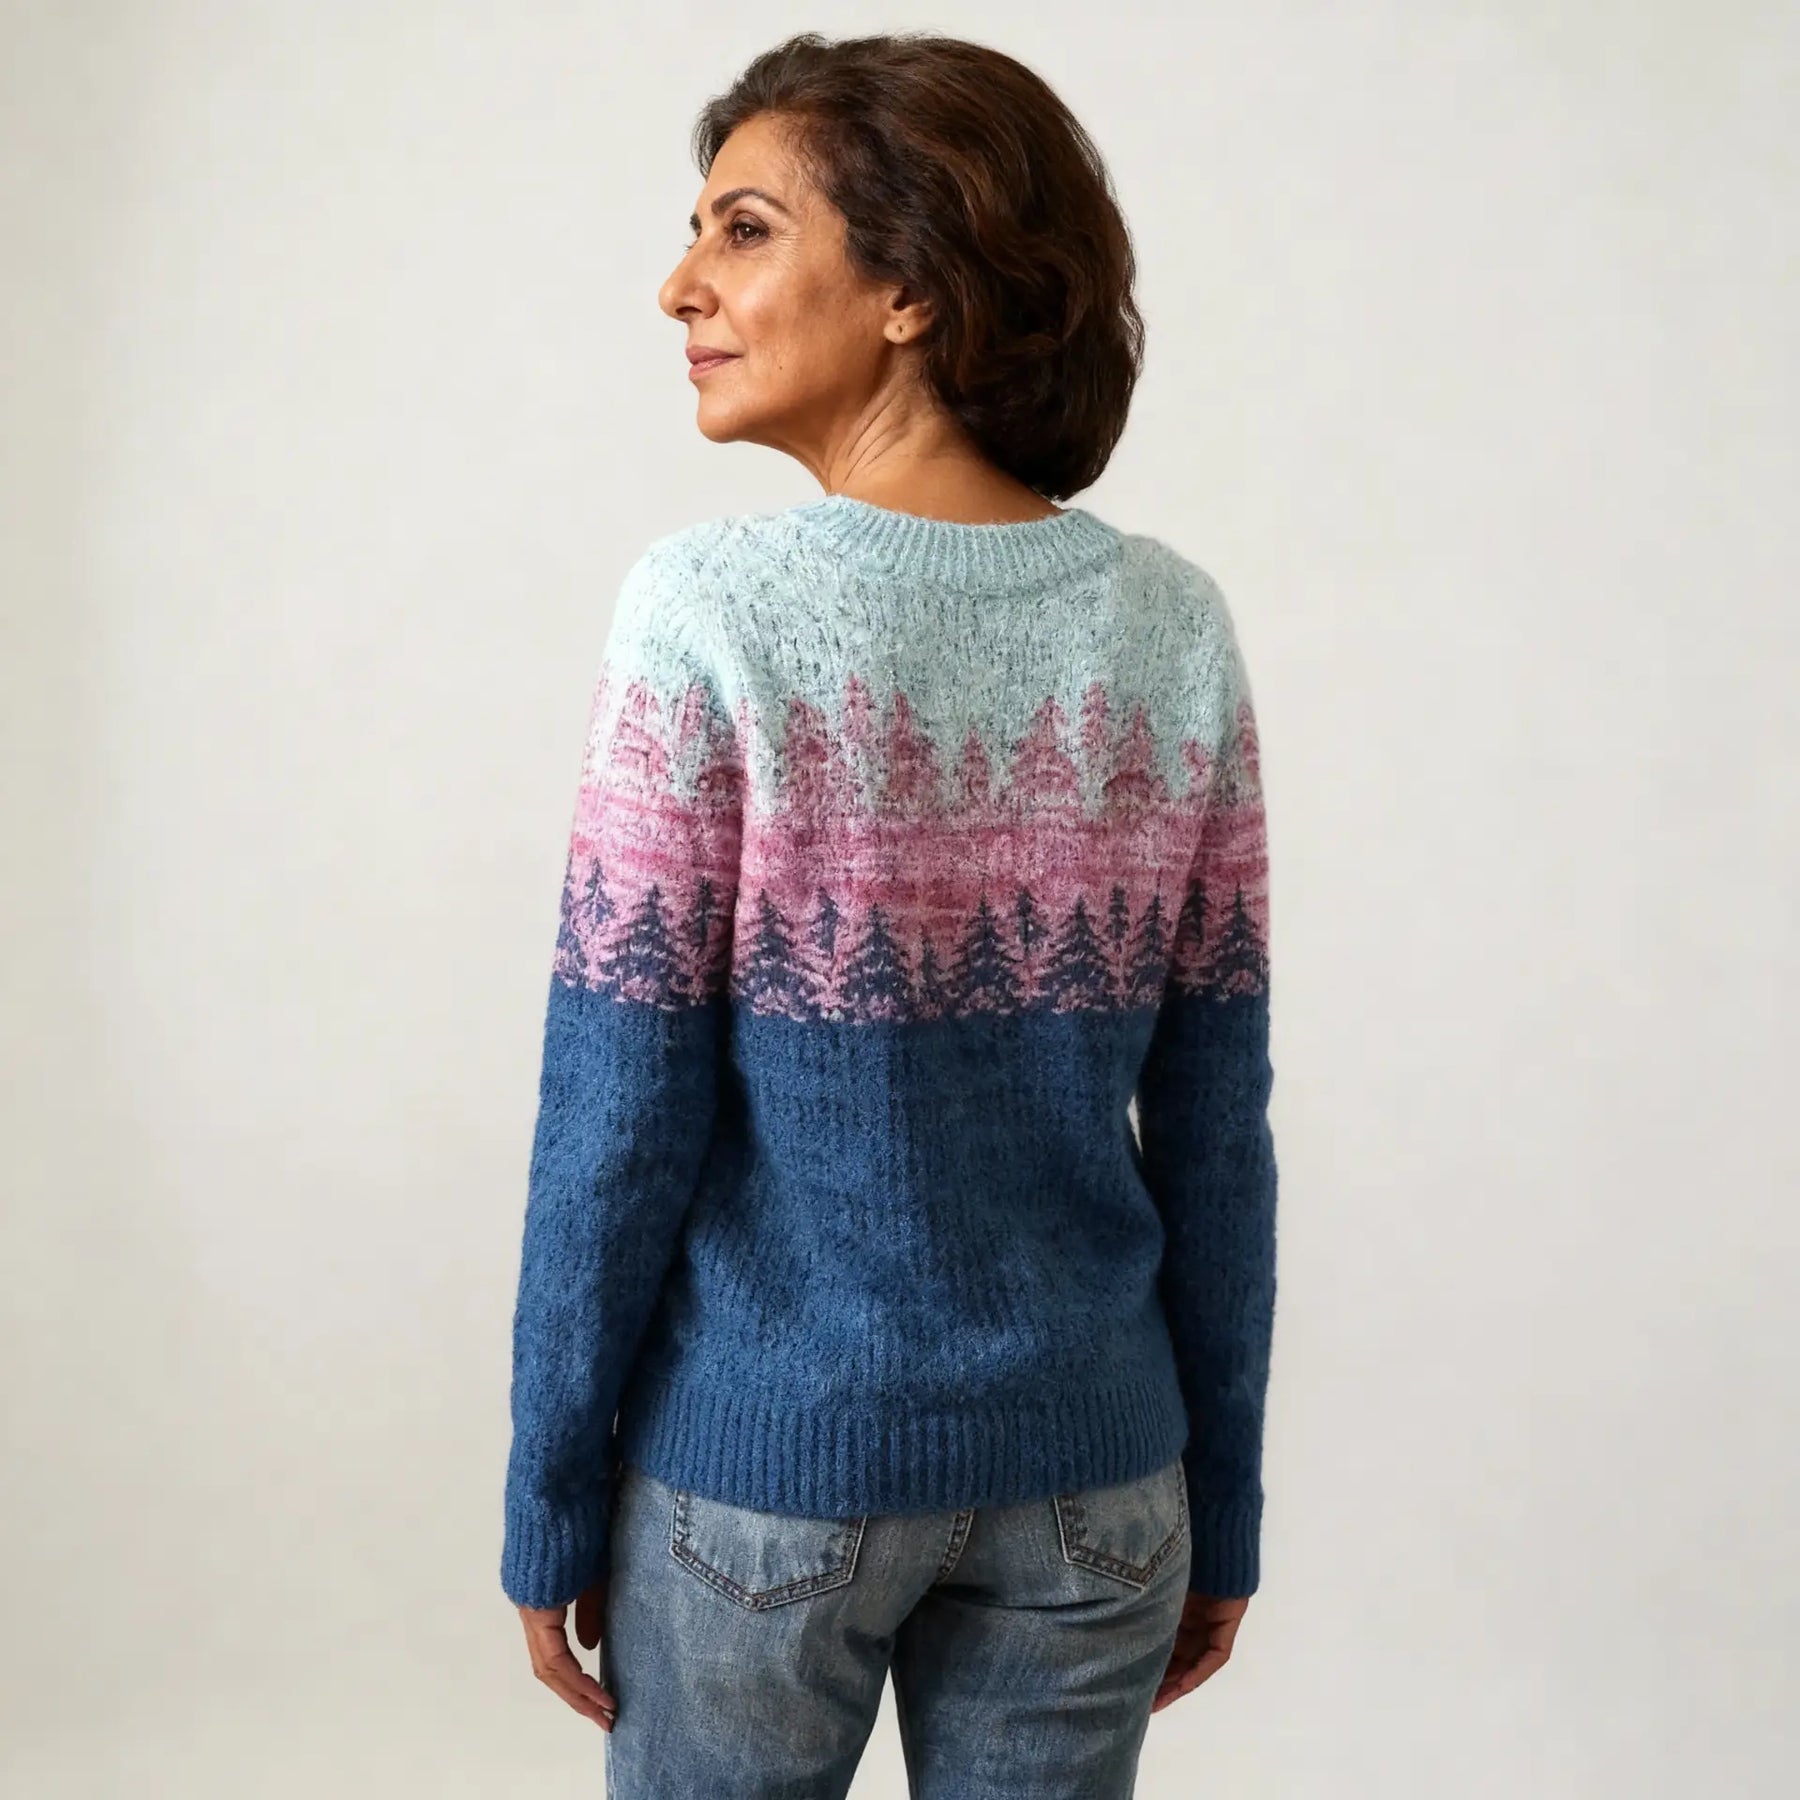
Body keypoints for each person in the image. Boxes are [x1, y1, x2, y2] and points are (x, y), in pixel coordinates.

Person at [500, 29, 1278, 1799]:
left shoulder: (705, 609)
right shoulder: (1172, 624)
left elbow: (615, 1116)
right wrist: (1220, 1499)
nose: (681, 286)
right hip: (1102, 1488)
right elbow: (1216, 1127)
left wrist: (548, 1493)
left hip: (769, 1481)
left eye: (746, 229)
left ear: (913, 286)